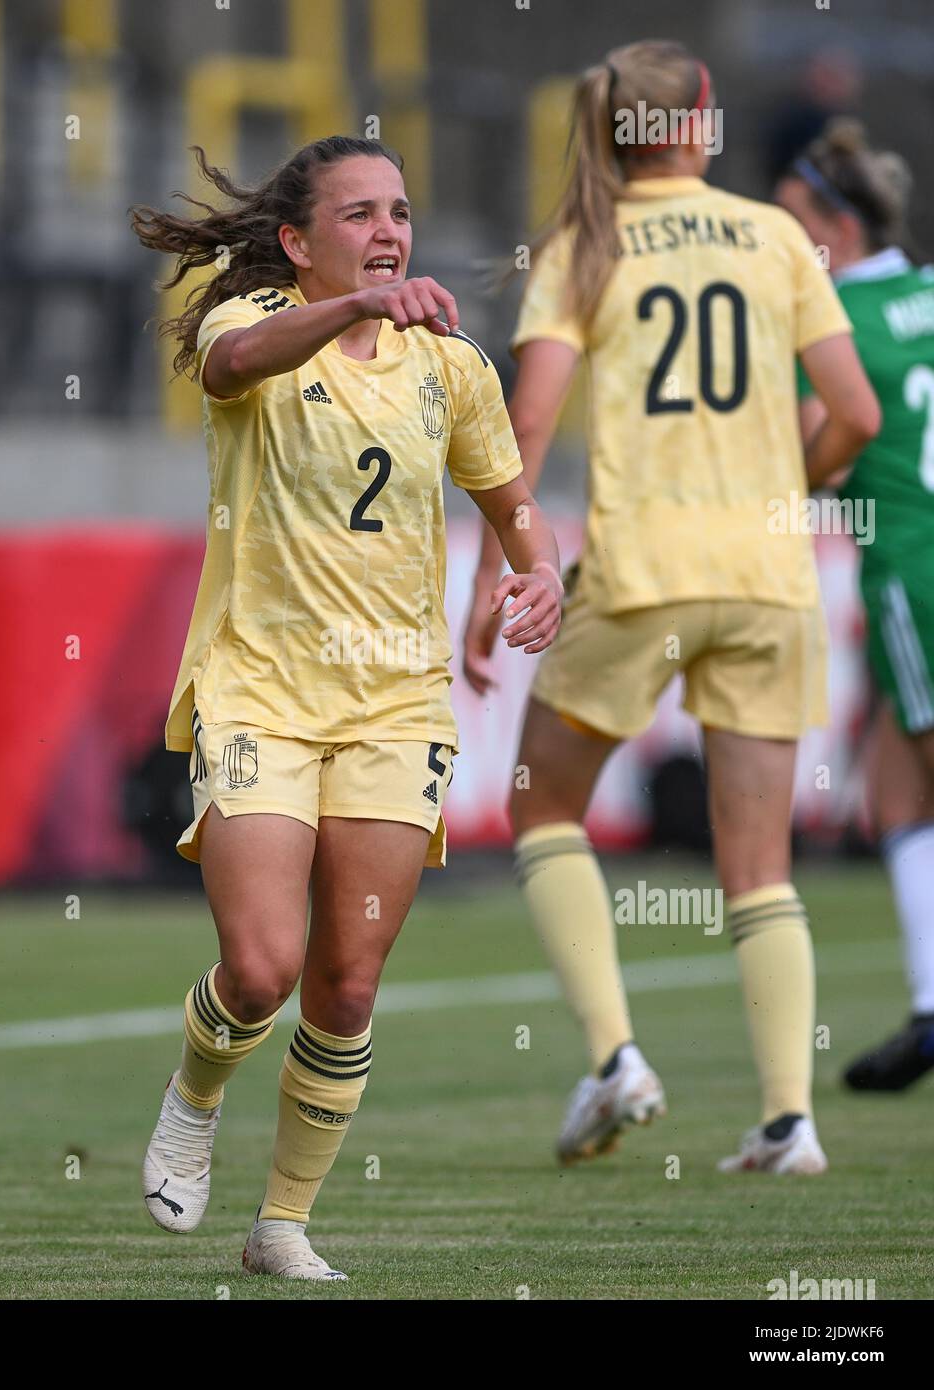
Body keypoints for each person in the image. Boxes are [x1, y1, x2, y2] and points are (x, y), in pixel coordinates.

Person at [129, 135, 562, 1280]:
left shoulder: (451, 365)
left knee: (349, 980)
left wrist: (539, 573)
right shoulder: (256, 327)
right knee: (262, 967)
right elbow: (235, 367)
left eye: (401, 213)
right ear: (296, 242)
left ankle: (281, 1225)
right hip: (261, 687)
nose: (388, 232)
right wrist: (350, 312)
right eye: (360, 213)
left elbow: (513, 502)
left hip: (395, 703)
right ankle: (194, 1094)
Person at [463, 41, 880, 1174]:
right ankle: (789, 1119)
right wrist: (783, 486)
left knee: (540, 803)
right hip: (765, 577)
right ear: (702, 121)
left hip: (641, 570)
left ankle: (614, 1059)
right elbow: (853, 411)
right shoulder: (775, 236)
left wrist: (505, 567)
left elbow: (526, 422)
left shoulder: (584, 244)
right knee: (759, 865)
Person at [778, 119, 934, 1092]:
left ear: (833, 224)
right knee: (896, 794)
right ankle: (928, 1008)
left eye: (793, 221)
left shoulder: (828, 319)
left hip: (911, 566)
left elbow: (810, 446)